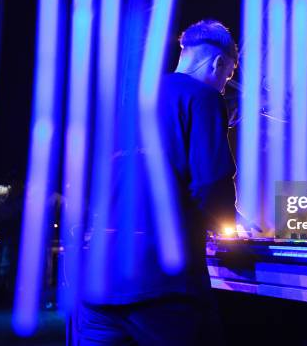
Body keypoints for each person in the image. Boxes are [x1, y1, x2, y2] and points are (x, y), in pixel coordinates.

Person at [73, 20, 239, 345]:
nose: (224, 85)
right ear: (219, 63)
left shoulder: (133, 101)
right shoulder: (203, 97)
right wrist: (230, 232)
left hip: (98, 279)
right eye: (229, 75)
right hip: (161, 285)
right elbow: (211, 184)